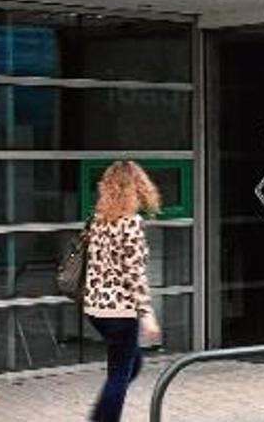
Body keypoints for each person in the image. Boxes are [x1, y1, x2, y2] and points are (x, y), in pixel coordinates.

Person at [84, 160, 162, 422]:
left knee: (130, 364)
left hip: (95, 309)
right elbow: (134, 273)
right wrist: (147, 315)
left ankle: (101, 415)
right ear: (137, 187)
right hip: (119, 311)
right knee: (119, 374)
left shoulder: (98, 220)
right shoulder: (131, 222)